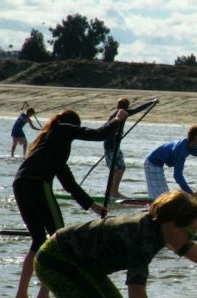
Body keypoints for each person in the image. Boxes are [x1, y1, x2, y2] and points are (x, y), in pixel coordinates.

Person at [34, 190, 197, 298]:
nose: (191, 239)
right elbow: (136, 291)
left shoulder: (161, 227)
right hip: (57, 260)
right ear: (173, 225)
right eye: (191, 233)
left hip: (81, 263)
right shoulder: (142, 239)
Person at [13, 108, 128, 298]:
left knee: (39, 240)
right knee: (59, 240)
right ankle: (44, 294)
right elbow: (99, 134)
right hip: (36, 183)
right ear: (73, 124)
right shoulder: (62, 129)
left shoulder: (52, 145)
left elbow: (69, 184)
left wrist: (93, 206)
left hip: (20, 184)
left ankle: (21, 294)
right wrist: (117, 120)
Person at [104, 96, 159, 198]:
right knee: (119, 169)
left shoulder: (121, 113)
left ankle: (112, 191)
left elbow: (137, 109)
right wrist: (152, 102)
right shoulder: (116, 115)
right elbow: (107, 128)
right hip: (111, 146)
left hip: (112, 145)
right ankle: (113, 192)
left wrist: (151, 102)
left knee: (117, 169)